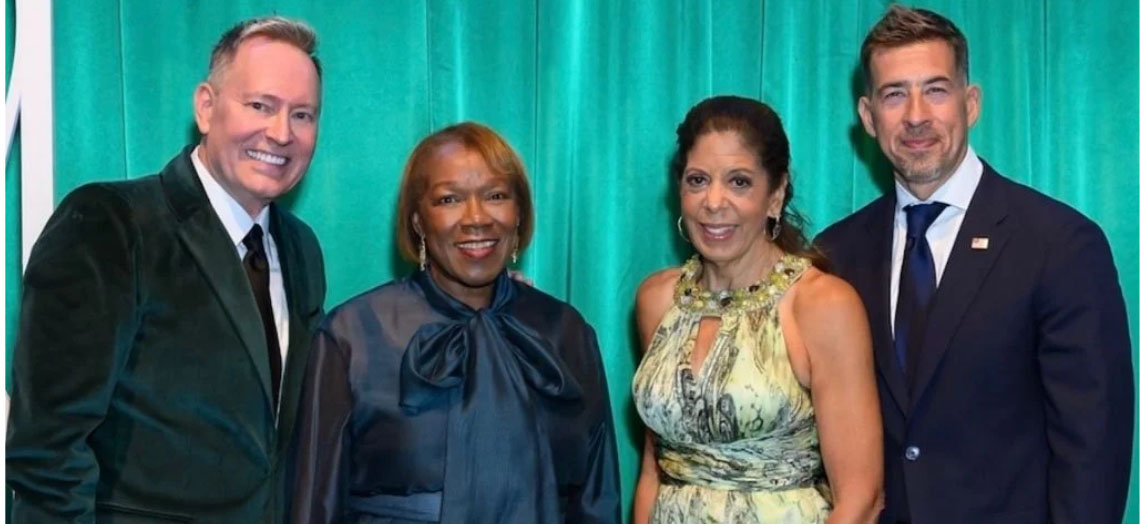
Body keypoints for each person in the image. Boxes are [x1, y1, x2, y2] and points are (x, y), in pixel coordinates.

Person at [815, 6, 1134, 524]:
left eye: (936, 90)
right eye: (895, 94)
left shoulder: (1060, 245)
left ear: (971, 103)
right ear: (869, 117)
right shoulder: (834, 256)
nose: (916, 115)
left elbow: (1094, 447)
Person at [7, 16, 326, 522]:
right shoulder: (108, 224)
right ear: (206, 106)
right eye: (260, 105)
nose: (281, 132)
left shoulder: (302, 250)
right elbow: (48, 453)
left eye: (303, 115)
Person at [289, 122, 621, 523]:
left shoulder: (567, 332)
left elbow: (597, 498)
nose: (476, 218)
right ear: (417, 220)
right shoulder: (352, 336)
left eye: (496, 195)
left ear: (519, 213)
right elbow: (315, 506)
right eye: (449, 199)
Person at [632, 96, 883, 524]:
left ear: (776, 194)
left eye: (739, 182)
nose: (713, 201)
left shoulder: (822, 305)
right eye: (697, 180)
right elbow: (654, 470)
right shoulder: (657, 300)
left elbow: (861, 498)